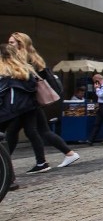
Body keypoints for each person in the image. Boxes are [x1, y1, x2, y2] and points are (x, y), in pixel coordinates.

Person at [6, 32, 81, 169]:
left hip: (27, 103)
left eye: (12, 42)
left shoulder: (24, 61)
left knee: (17, 132)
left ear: (20, 44)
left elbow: (26, 83)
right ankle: (63, 155)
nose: (9, 45)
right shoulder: (33, 58)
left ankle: (12, 165)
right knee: (37, 131)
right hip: (31, 103)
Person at [0, 43, 48, 179]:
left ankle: (7, 177)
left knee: (8, 138)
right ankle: (40, 162)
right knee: (29, 133)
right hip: (28, 108)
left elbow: (1, 92)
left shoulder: (4, 70)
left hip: (10, 110)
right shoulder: (26, 69)